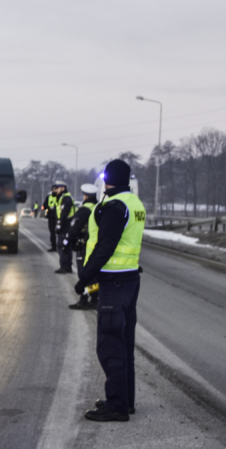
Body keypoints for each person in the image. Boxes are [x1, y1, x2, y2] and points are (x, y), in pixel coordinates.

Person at [75, 160, 145, 422]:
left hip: (114, 284)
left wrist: (84, 278)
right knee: (124, 343)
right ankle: (126, 400)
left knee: (110, 345)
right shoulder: (134, 204)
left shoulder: (115, 207)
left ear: (107, 180)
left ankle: (116, 406)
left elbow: (105, 246)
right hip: (129, 281)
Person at [63, 183, 99, 310]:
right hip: (97, 247)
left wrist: (66, 241)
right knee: (94, 275)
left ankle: (83, 300)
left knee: (83, 275)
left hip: (84, 246)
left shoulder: (84, 210)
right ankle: (95, 298)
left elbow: (74, 228)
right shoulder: (99, 208)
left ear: (85, 196)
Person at [54, 180, 75, 273]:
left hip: (65, 226)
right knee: (66, 246)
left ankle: (64, 266)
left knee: (62, 246)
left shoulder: (66, 199)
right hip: (66, 225)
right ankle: (68, 266)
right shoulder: (64, 197)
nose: (56, 190)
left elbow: (64, 214)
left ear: (63, 188)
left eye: (57, 188)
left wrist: (59, 225)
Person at [44, 185, 58, 251]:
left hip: (59, 217)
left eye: (56, 189)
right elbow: (44, 205)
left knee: (60, 232)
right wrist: (49, 208)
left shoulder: (61, 197)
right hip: (51, 217)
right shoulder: (49, 197)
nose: (55, 190)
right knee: (52, 232)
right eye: (54, 189)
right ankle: (54, 246)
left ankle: (61, 245)